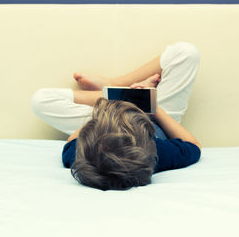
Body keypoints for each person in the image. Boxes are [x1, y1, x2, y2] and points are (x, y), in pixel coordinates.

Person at [31, 42, 202, 191]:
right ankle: (119, 92)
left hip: (106, 112)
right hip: (157, 118)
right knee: (186, 52)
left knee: (41, 100)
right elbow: (193, 145)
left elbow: (71, 142)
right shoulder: (157, 152)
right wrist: (153, 107)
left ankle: (116, 90)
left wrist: (106, 109)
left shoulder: (80, 154)